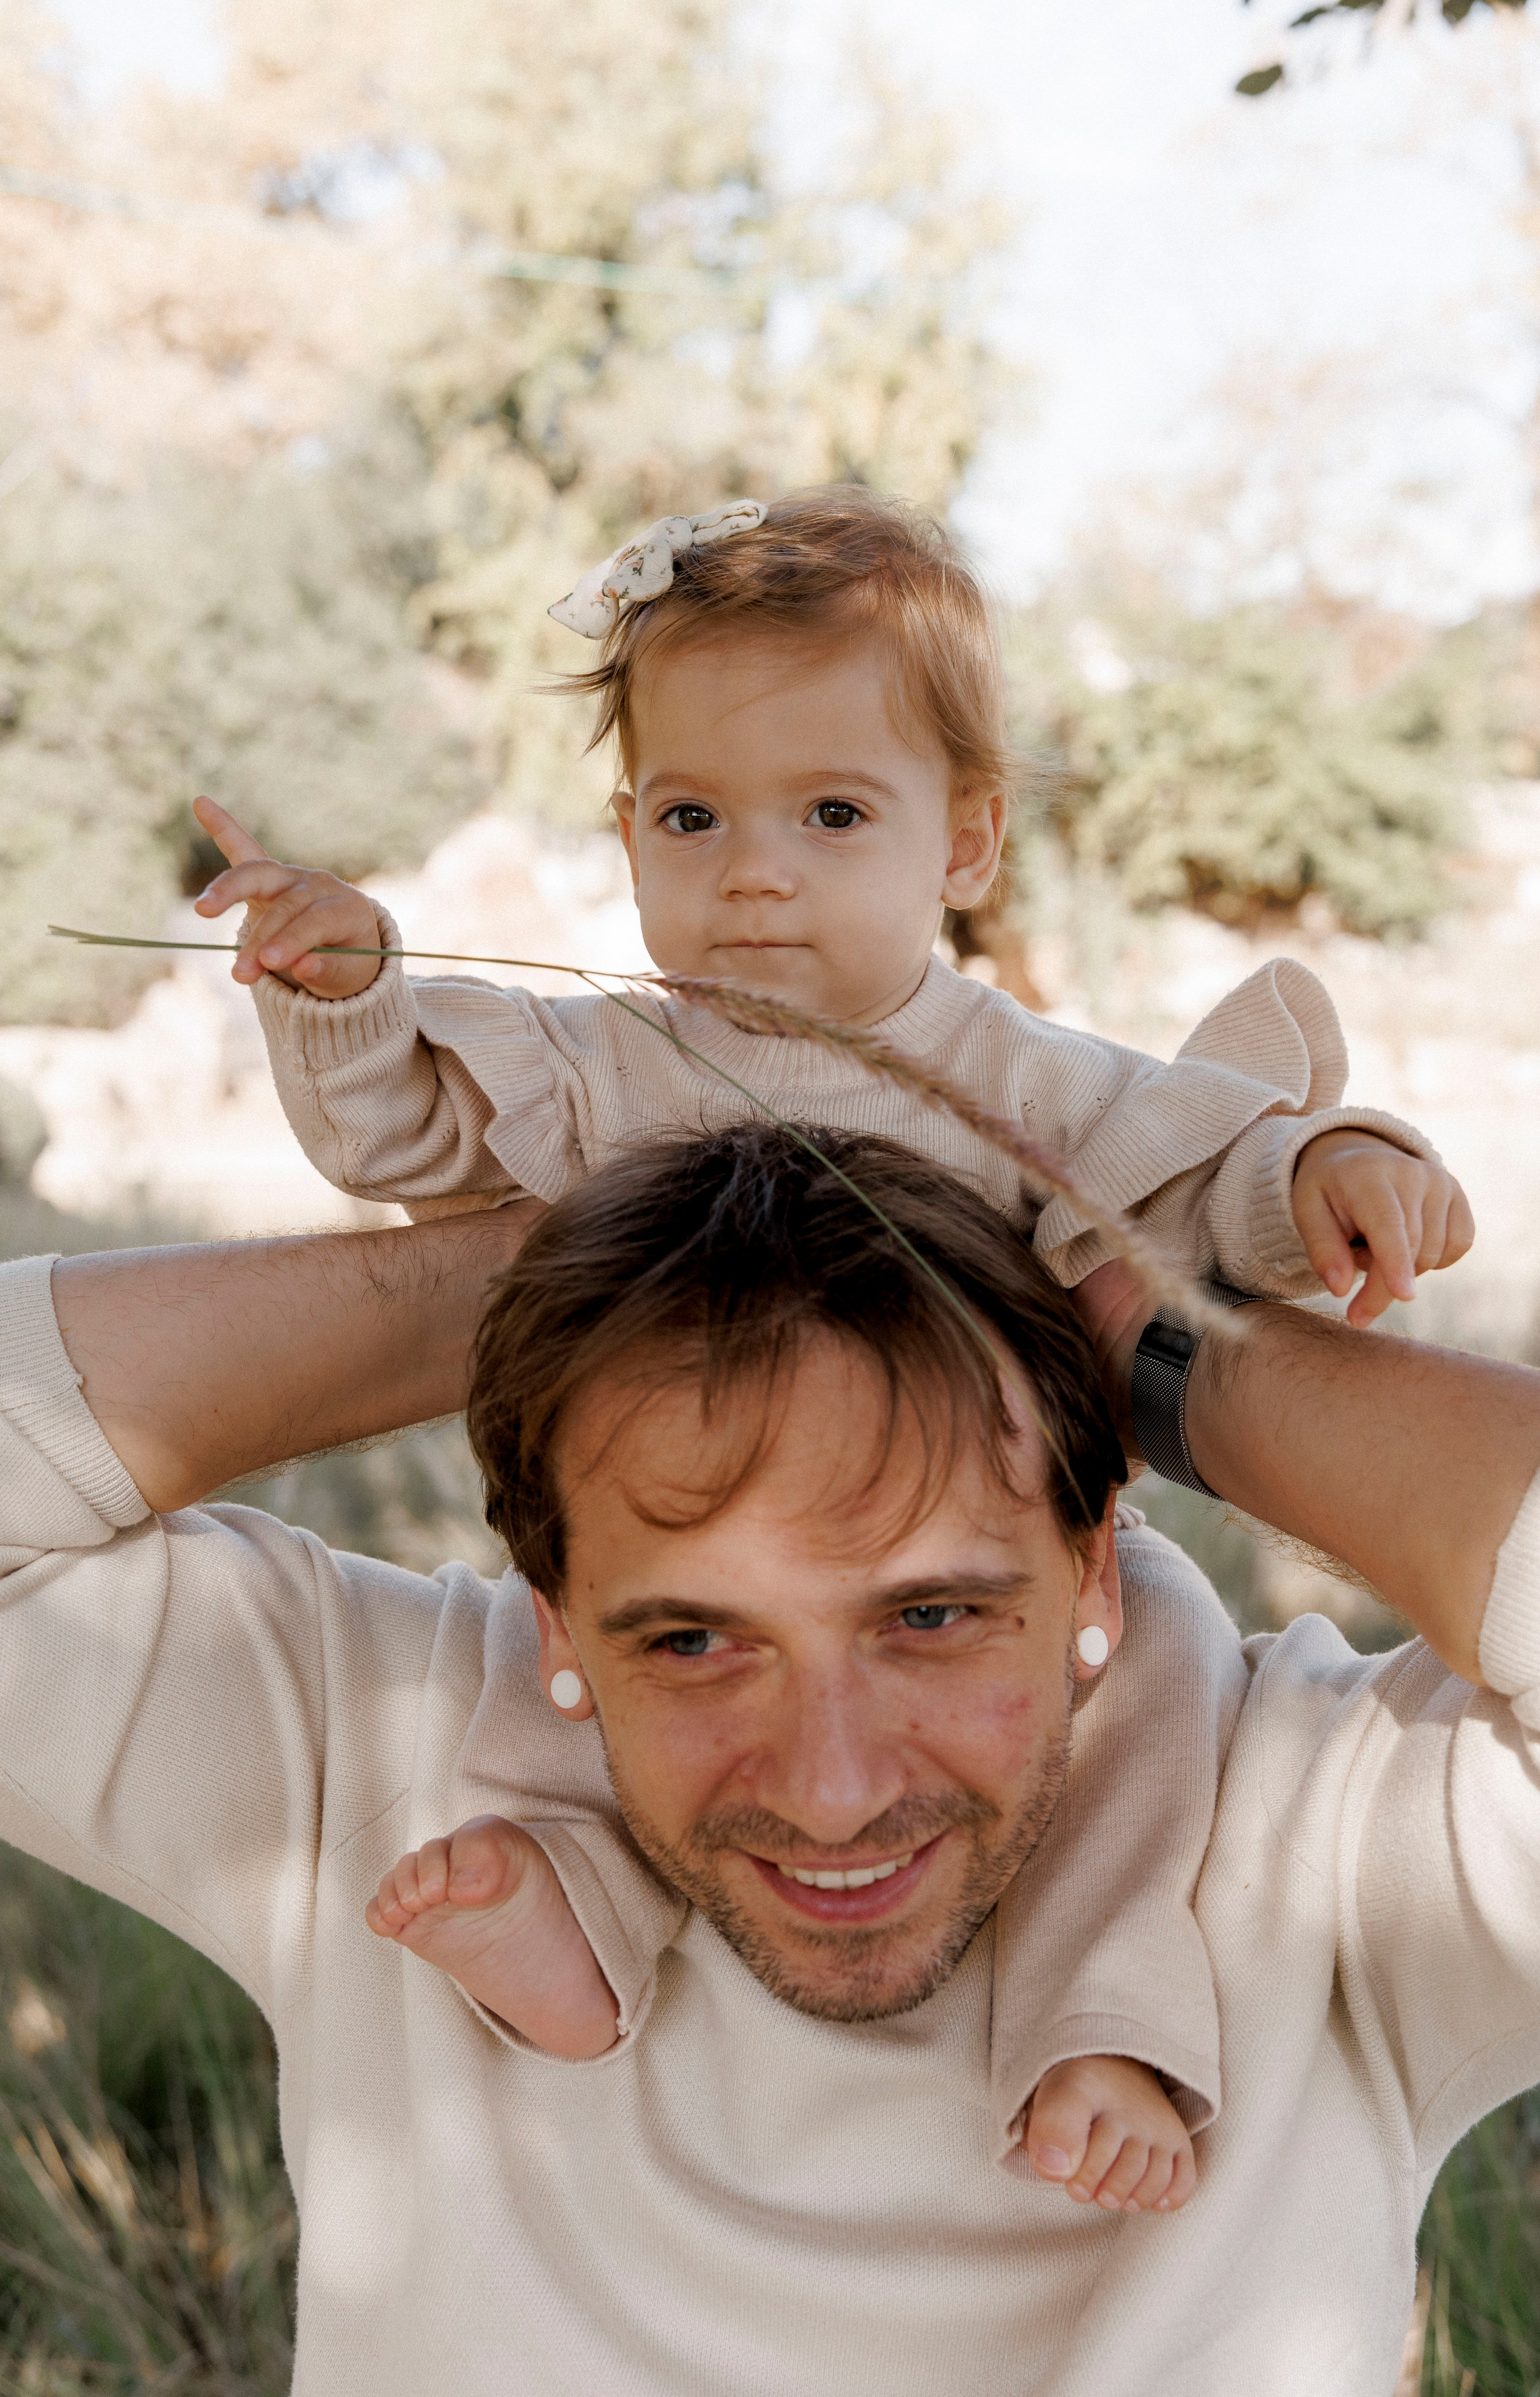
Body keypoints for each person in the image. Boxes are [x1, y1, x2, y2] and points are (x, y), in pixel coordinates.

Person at [187, 486, 1470, 2162]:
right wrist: (354, 1000)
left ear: (967, 842)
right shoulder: (609, 1064)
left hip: (967, 1559)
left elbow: (1191, 1179)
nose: (755, 877)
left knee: (1159, 1675)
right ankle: (561, 1908)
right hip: (689, 1530)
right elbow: (412, 1140)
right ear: (629, 838)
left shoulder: (1013, 1076)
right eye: (692, 818)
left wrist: (1327, 1173)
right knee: (561, 1639)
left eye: (834, 815)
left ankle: (1103, 2014)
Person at [0, 1124, 1536, 2396]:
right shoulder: (396, 1755)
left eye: (930, 1616)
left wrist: (1156, 1342)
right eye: (692, 1641)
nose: (831, 1791)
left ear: (1093, 1576)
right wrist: (588, 1258)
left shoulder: (1323, 1843)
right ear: (556, 1623)